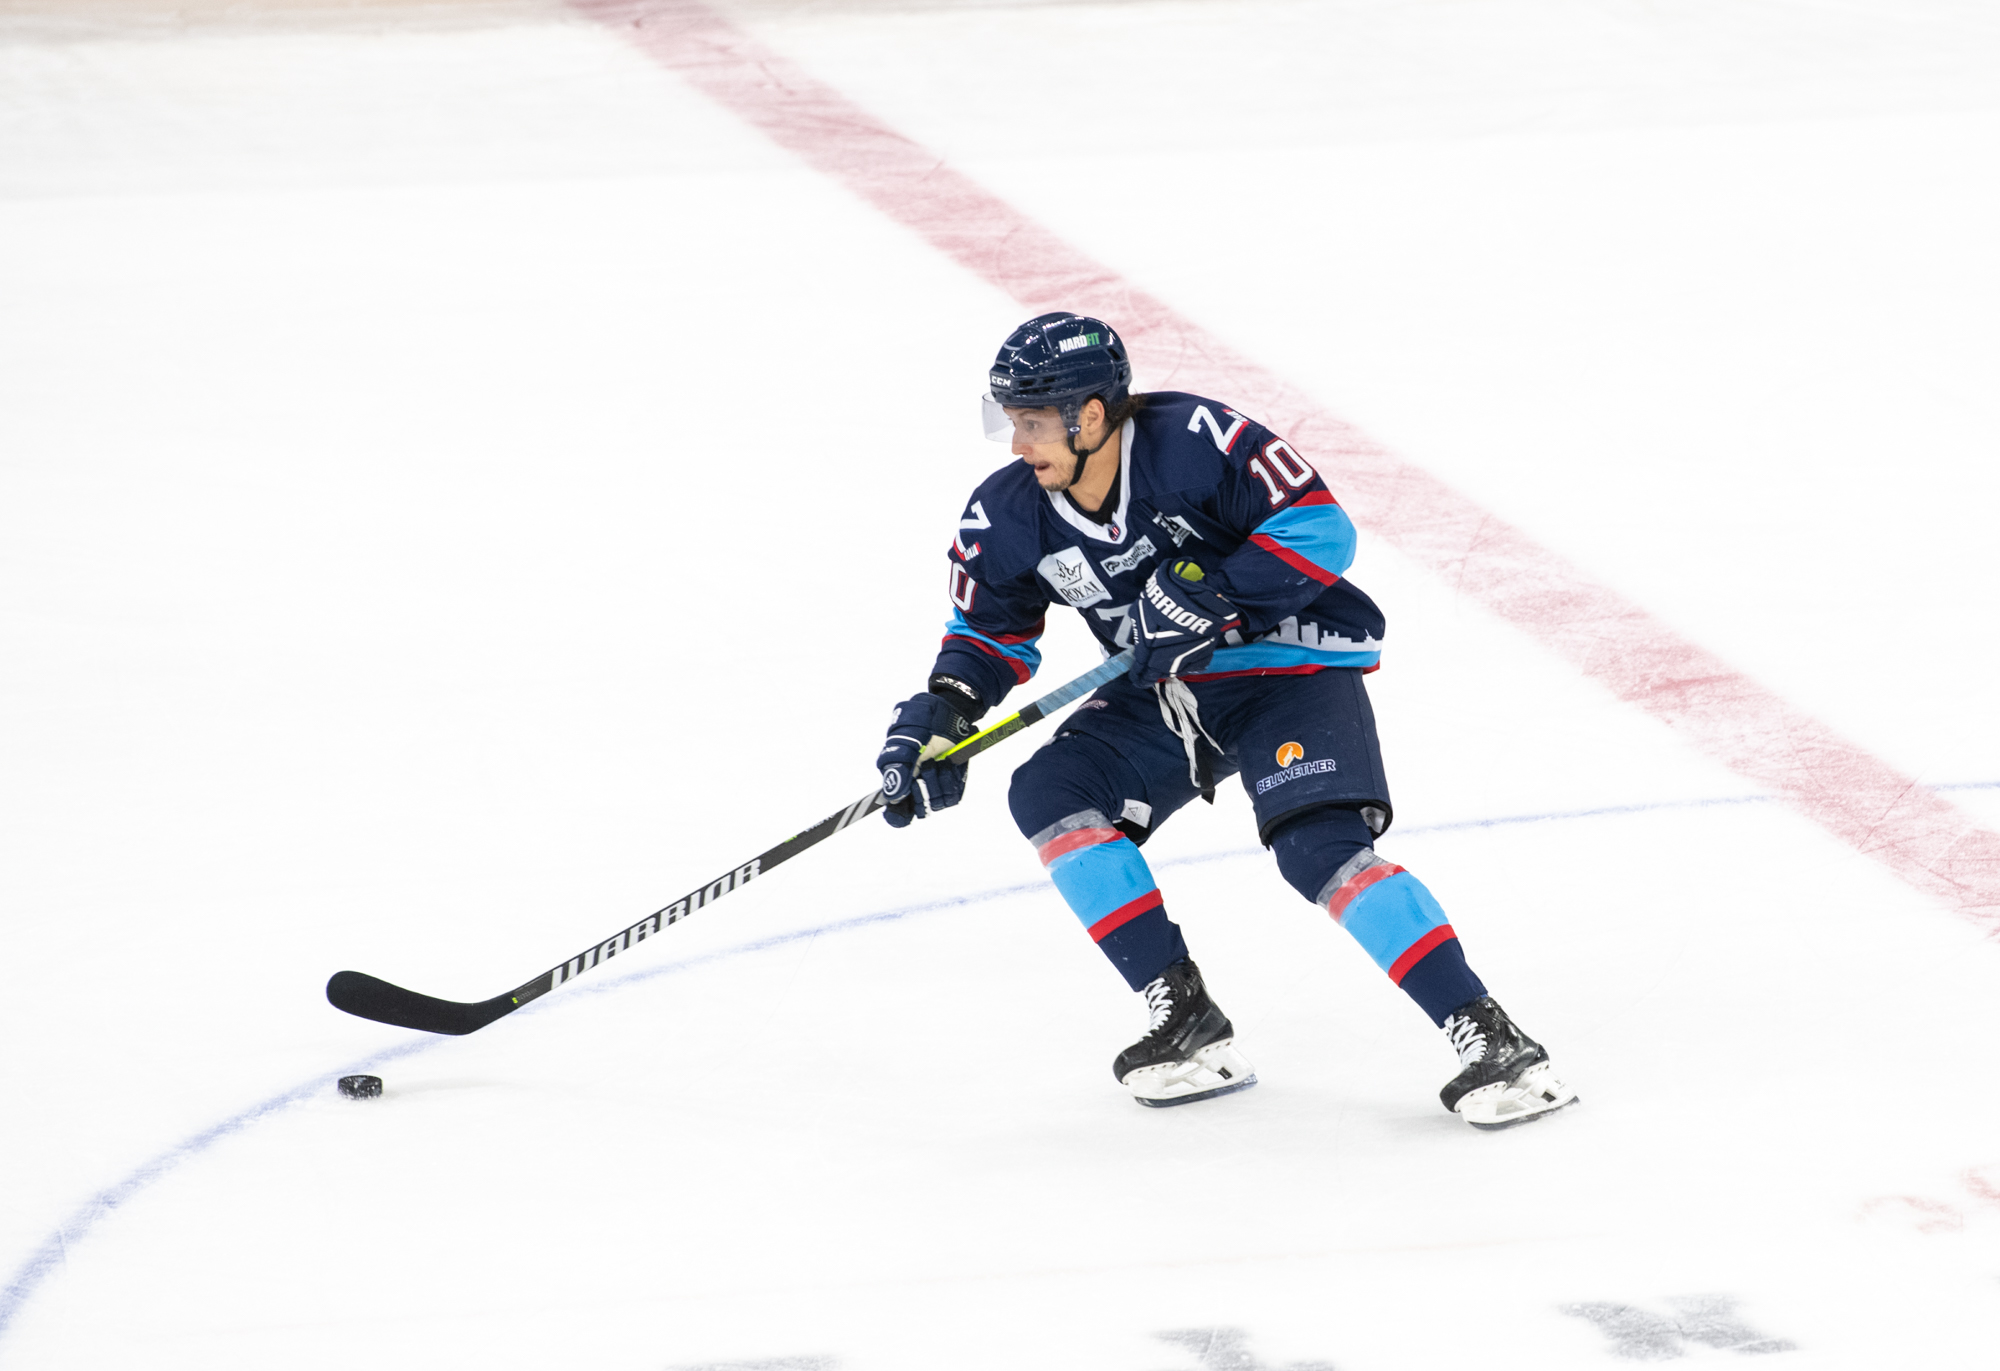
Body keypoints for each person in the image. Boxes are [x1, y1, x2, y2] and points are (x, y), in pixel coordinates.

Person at [875, 312, 1577, 1129]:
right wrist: (943, 713)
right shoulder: (1007, 514)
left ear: (1092, 415)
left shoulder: (1196, 441)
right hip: (1167, 694)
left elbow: (1322, 529)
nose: (1017, 445)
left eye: (1032, 423)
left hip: (1290, 669)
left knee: (1317, 848)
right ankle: (1184, 1018)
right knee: (1050, 789)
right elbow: (988, 634)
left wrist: (1211, 590)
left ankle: (1490, 1036)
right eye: (1012, 421)